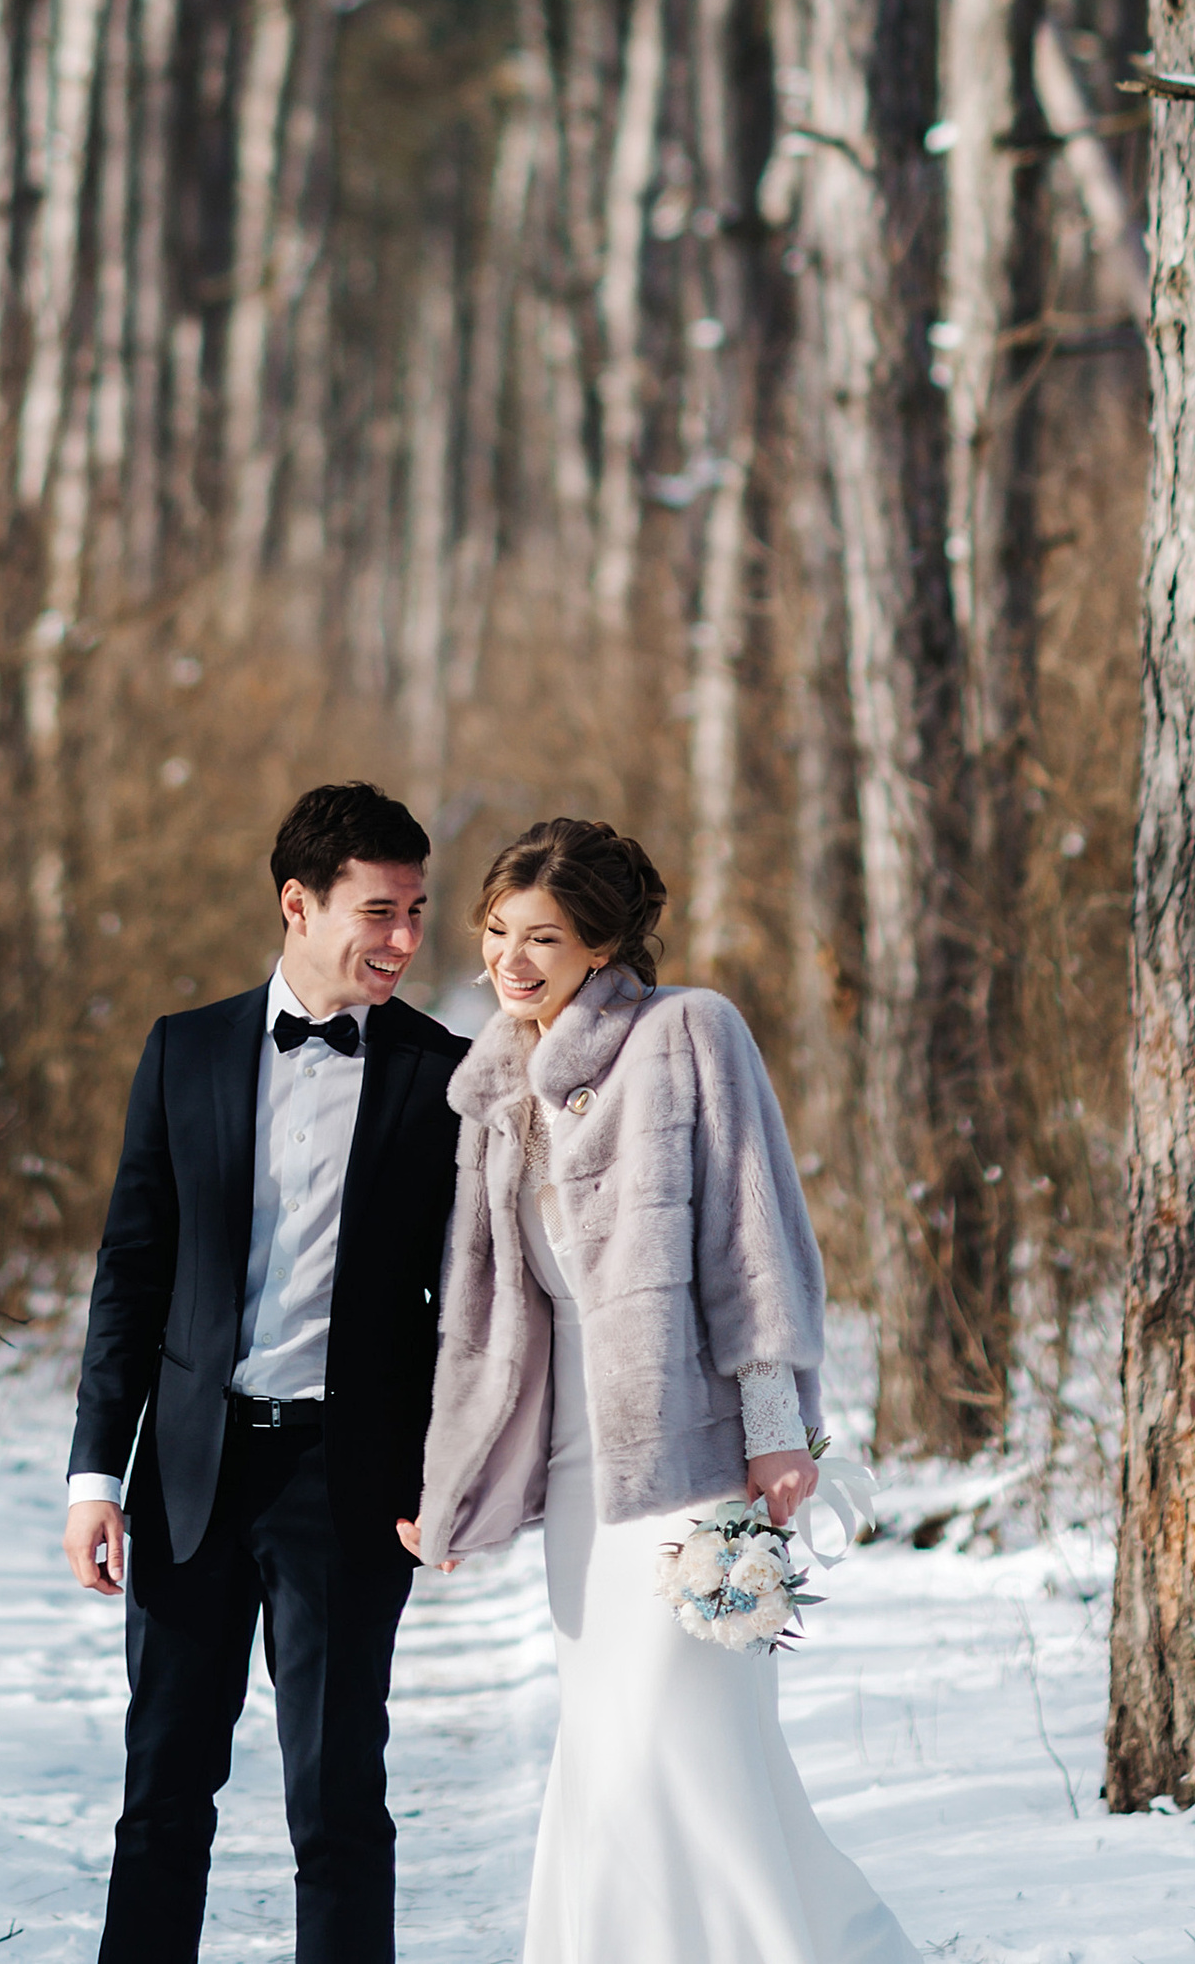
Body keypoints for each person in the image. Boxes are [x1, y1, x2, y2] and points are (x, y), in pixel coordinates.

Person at [406, 818, 918, 1964]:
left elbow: (755, 1241)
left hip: (690, 1460)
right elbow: (487, 1319)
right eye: (497, 932)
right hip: (579, 1480)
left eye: (544, 936)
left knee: (665, 1743)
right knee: (604, 1746)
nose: (513, 958)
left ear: (601, 942)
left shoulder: (687, 1032)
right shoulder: (493, 1083)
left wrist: (776, 1428)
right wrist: (453, 1483)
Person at [63, 781, 473, 1964]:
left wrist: (451, 1465)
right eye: (378, 911)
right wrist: (96, 1473)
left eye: (415, 911)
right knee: (162, 1805)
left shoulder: (441, 1072)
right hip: (189, 1473)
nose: (403, 939)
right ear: (298, 903)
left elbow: (473, 1302)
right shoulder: (183, 1050)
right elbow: (130, 1273)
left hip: (347, 1485)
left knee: (339, 1807)